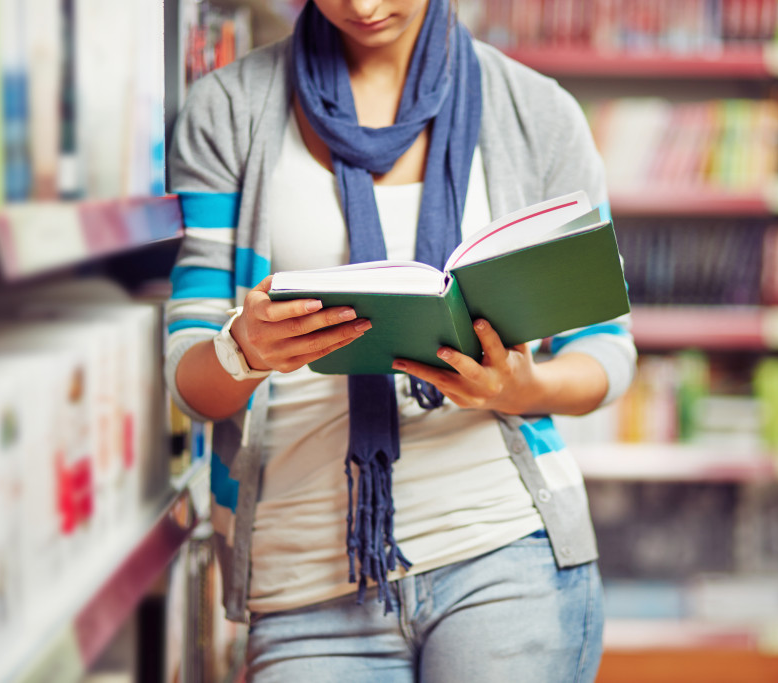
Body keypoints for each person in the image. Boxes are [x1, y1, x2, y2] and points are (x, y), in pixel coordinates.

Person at [164, 0, 637, 680]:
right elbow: (190, 376)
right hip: (305, 588)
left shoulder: (538, 113)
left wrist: (521, 388)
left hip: (506, 552)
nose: (363, 6)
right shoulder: (228, 111)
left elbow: (607, 351)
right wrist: (245, 349)